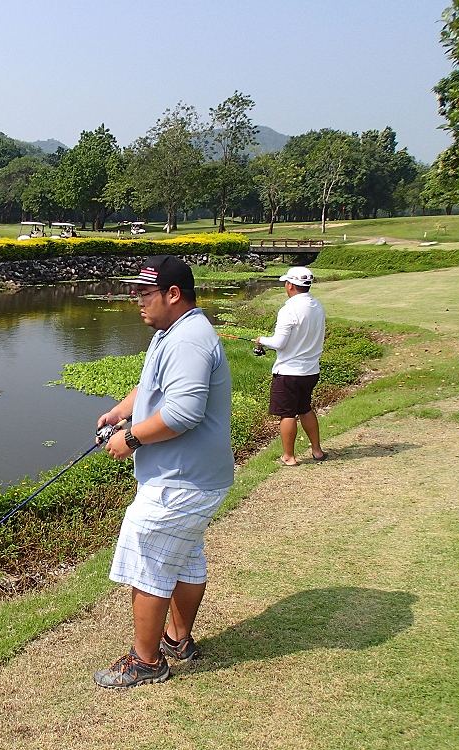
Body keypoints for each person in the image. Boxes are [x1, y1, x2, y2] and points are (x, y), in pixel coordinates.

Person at [94, 255, 234, 688]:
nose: (137, 301)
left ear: (173, 295)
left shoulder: (189, 339)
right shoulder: (169, 333)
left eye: (145, 293)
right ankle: (177, 638)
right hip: (190, 476)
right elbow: (153, 385)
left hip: (182, 481)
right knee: (185, 558)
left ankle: (146, 661)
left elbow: (183, 412)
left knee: (148, 556)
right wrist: (120, 411)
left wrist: (131, 438)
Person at [254, 266, 327, 466]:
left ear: (290, 285)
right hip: (311, 371)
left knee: (287, 414)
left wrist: (261, 340)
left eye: (286, 283)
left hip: (288, 373)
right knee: (305, 408)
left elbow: (278, 343)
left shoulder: (289, 309)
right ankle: (317, 450)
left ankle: (289, 456)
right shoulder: (317, 306)